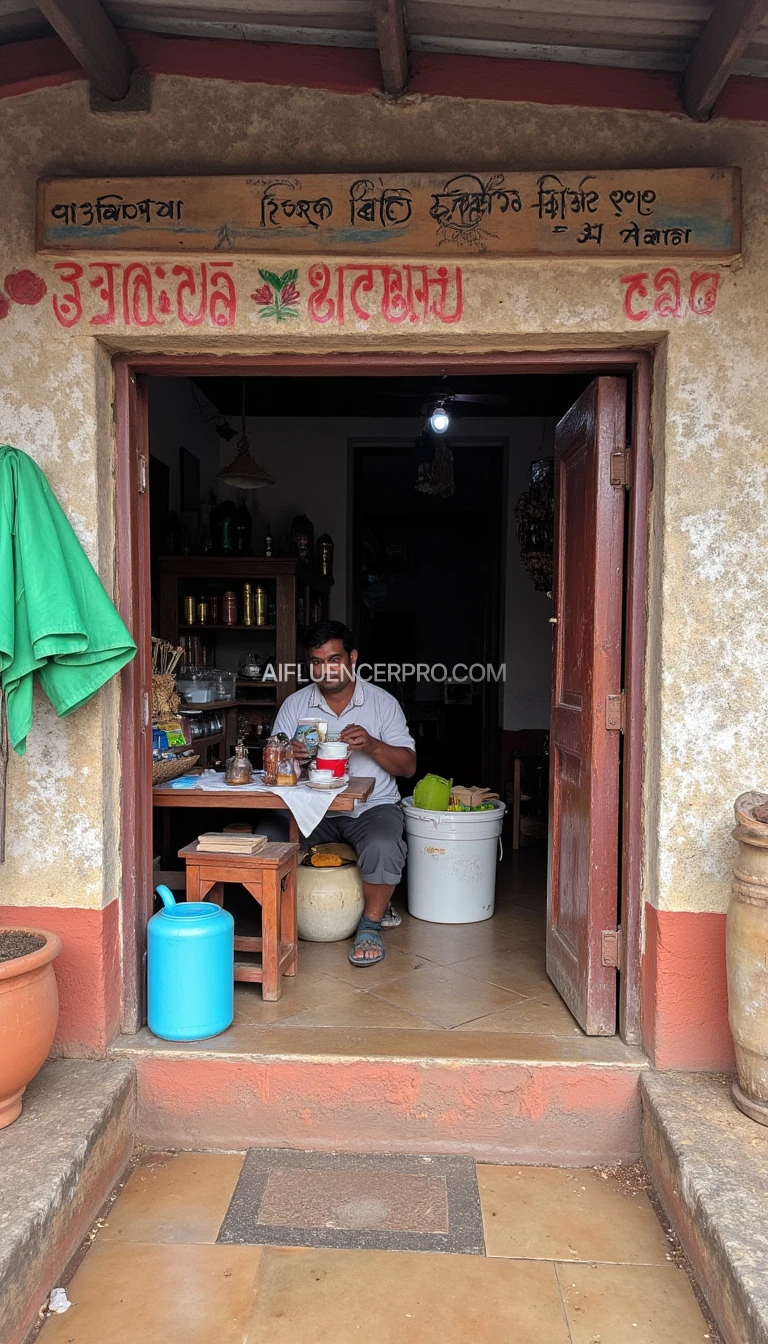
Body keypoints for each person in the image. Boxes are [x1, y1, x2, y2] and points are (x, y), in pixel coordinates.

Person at [272, 621, 416, 966]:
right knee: (269, 837)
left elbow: (408, 766)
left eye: (334, 660)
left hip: (371, 807)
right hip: (310, 809)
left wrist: (372, 744)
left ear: (352, 658)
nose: (325, 670)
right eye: (317, 662)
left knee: (383, 844)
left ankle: (370, 925)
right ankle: (280, 920)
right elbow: (273, 768)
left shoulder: (382, 704)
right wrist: (287, 756)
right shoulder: (295, 705)